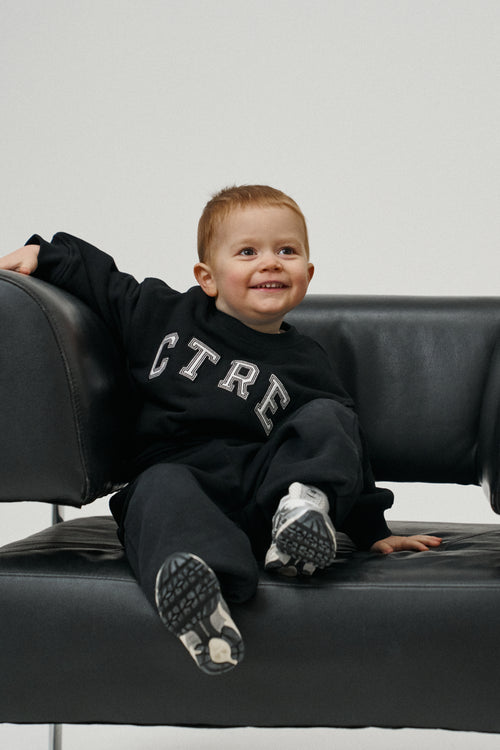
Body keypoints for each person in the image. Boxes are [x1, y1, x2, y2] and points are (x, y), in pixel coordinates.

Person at [0, 185, 441, 675]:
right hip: (181, 479)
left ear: (308, 273)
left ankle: (303, 517)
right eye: (248, 252)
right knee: (157, 491)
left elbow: (345, 446)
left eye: (287, 251)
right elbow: (107, 282)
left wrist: (373, 530)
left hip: (265, 496)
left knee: (330, 415)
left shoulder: (308, 362)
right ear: (207, 278)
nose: (270, 263)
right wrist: (46, 254)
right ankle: (201, 594)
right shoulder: (163, 314)